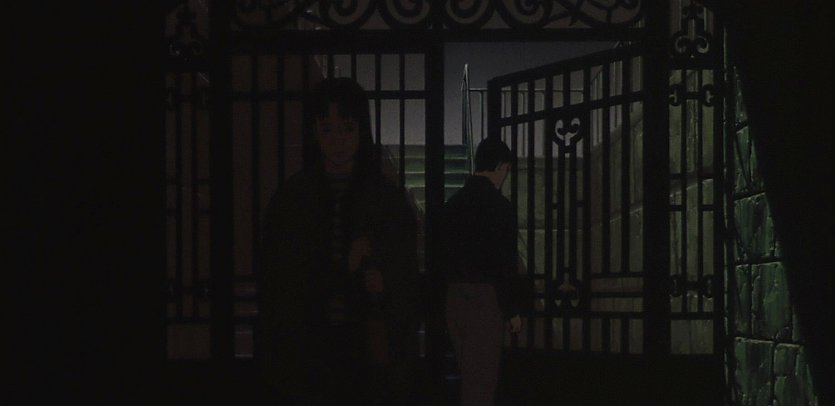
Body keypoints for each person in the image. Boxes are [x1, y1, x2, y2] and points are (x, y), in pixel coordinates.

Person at [256, 77, 421, 404]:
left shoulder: (384, 199)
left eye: (347, 128)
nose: (338, 141)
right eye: (327, 129)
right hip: (310, 347)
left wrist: (381, 279)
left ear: (361, 131)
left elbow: (404, 272)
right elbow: (280, 277)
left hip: (365, 348)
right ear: (314, 132)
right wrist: (347, 268)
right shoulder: (293, 199)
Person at [440, 136, 529, 406]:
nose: (505, 176)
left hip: (454, 297)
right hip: (485, 300)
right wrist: (511, 309)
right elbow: (503, 263)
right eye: (506, 170)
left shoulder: (452, 205)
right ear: (500, 166)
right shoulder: (500, 207)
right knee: (481, 382)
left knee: (469, 375)